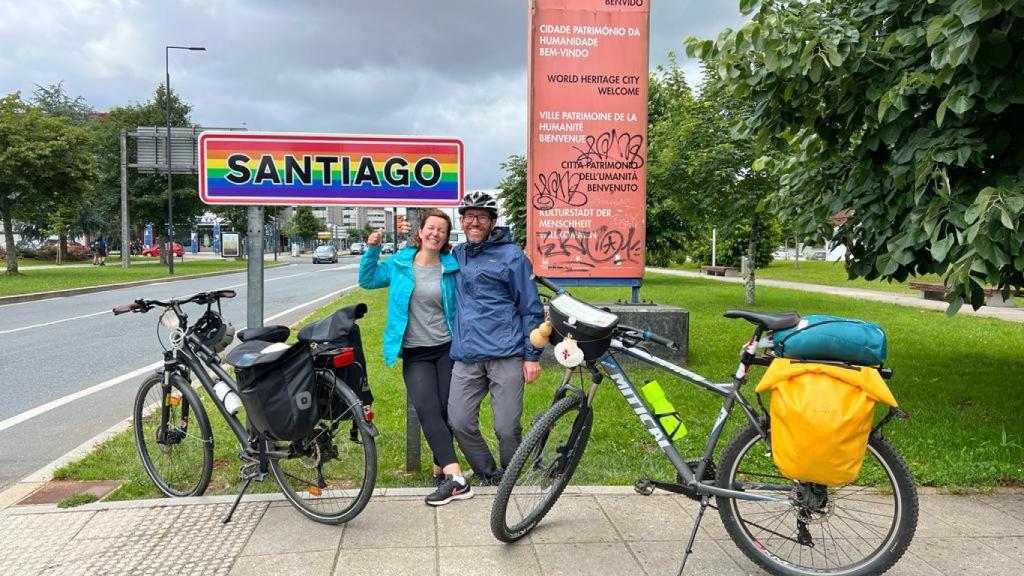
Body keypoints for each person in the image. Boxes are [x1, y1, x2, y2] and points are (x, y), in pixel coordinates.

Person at [358, 210, 473, 506]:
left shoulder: (451, 267)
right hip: (415, 352)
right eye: (431, 228)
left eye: (442, 230)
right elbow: (368, 280)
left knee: (448, 412)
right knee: (427, 410)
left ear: (447, 237)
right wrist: (371, 248)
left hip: (447, 349)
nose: (435, 234)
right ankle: (456, 477)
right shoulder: (400, 264)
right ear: (420, 232)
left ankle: (442, 470)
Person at [447, 191, 545, 485]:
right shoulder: (456, 254)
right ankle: (489, 474)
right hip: (467, 354)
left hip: (506, 353)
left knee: (506, 426)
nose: (474, 222)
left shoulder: (513, 256)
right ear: (462, 221)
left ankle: (512, 475)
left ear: (492, 223)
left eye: (481, 217)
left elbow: (531, 308)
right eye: (469, 217)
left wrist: (531, 356)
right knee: (460, 421)